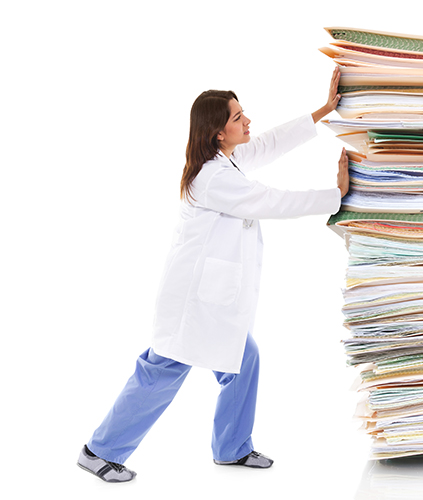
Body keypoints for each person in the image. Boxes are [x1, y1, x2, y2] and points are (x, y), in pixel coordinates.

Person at [77, 67, 349, 483]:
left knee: (245, 359)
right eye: (239, 117)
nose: (248, 122)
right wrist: (337, 196)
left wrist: (324, 110)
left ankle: (232, 448)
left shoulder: (227, 159)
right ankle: (99, 451)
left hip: (213, 302)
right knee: (161, 372)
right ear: (218, 131)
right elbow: (268, 201)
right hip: (193, 304)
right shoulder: (212, 177)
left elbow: (269, 144)